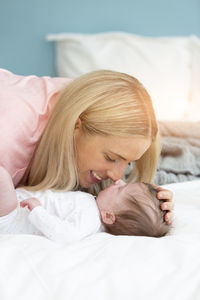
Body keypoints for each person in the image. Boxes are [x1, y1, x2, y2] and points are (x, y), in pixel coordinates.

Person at [3, 70, 174, 224]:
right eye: (111, 158)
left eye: (128, 163)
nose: (117, 177)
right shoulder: (9, 137)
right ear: (76, 126)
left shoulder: (89, 98)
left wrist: (148, 205)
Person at [0, 167, 170, 243]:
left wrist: (37, 211)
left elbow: (66, 235)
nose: (118, 180)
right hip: (16, 207)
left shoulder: (90, 218)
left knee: (3, 178)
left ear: (109, 216)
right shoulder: (95, 208)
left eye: (121, 188)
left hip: (14, 218)